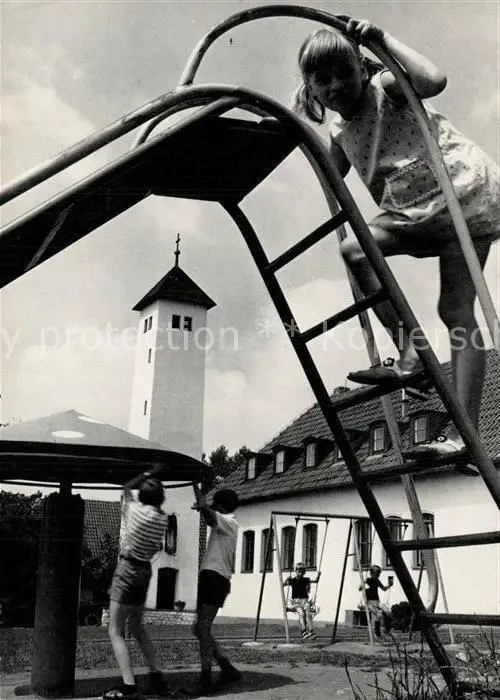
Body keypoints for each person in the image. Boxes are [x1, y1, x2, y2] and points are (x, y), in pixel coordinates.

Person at [292, 18, 499, 459]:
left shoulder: (386, 87)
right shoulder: (338, 133)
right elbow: (329, 177)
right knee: (355, 250)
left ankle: (464, 433)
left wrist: (382, 40)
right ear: (310, 88)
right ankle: (411, 353)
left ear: (361, 68)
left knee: (456, 309)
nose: (336, 85)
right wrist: (289, 130)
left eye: (344, 73)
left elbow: (434, 80)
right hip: (413, 212)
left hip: (460, 195)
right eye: (323, 80)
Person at [104, 466, 170, 700]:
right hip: (144, 571)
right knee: (137, 627)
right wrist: (154, 478)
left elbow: (125, 488)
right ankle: (155, 675)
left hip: (127, 568)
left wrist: (146, 473)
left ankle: (129, 686)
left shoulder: (135, 511)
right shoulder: (162, 519)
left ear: (142, 496)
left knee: (115, 630)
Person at [190, 488, 242, 696]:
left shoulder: (229, 522)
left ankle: (206, 678)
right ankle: (226, 668)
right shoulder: (225, 523)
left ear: (220, 506)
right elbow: (210, 517)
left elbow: (211, 517)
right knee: (199, 628)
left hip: (215, 578)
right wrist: (203, 507)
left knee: (202, 627)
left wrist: (204, 506)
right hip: (212, 577)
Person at [283, 562, 321, 640]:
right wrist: (287, 578)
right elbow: (283, 584)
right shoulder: (292, 580)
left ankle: (311, 631)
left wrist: (318, 575)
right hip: (296, 601)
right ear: (295, 570)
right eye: (298, 569)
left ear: (304, 571)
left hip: (305, 600)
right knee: (301, 613)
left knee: (308, 614)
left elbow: (315, 581)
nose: (300, 571)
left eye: (302, 570)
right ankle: (304, 631)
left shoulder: (306, 579)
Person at [359, 565, 394, 639]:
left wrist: (389, 585)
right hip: (370, 602)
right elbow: (360, 589)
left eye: (379, 573)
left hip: (377, 601)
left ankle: (387, 630)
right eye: (377, 573)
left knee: (388, 612)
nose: (378, 575)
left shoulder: (377, 581)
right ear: (372, 573)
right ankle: (377, 633)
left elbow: (384, 589)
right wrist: (363, 583)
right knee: (379, 615)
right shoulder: (368, 580)